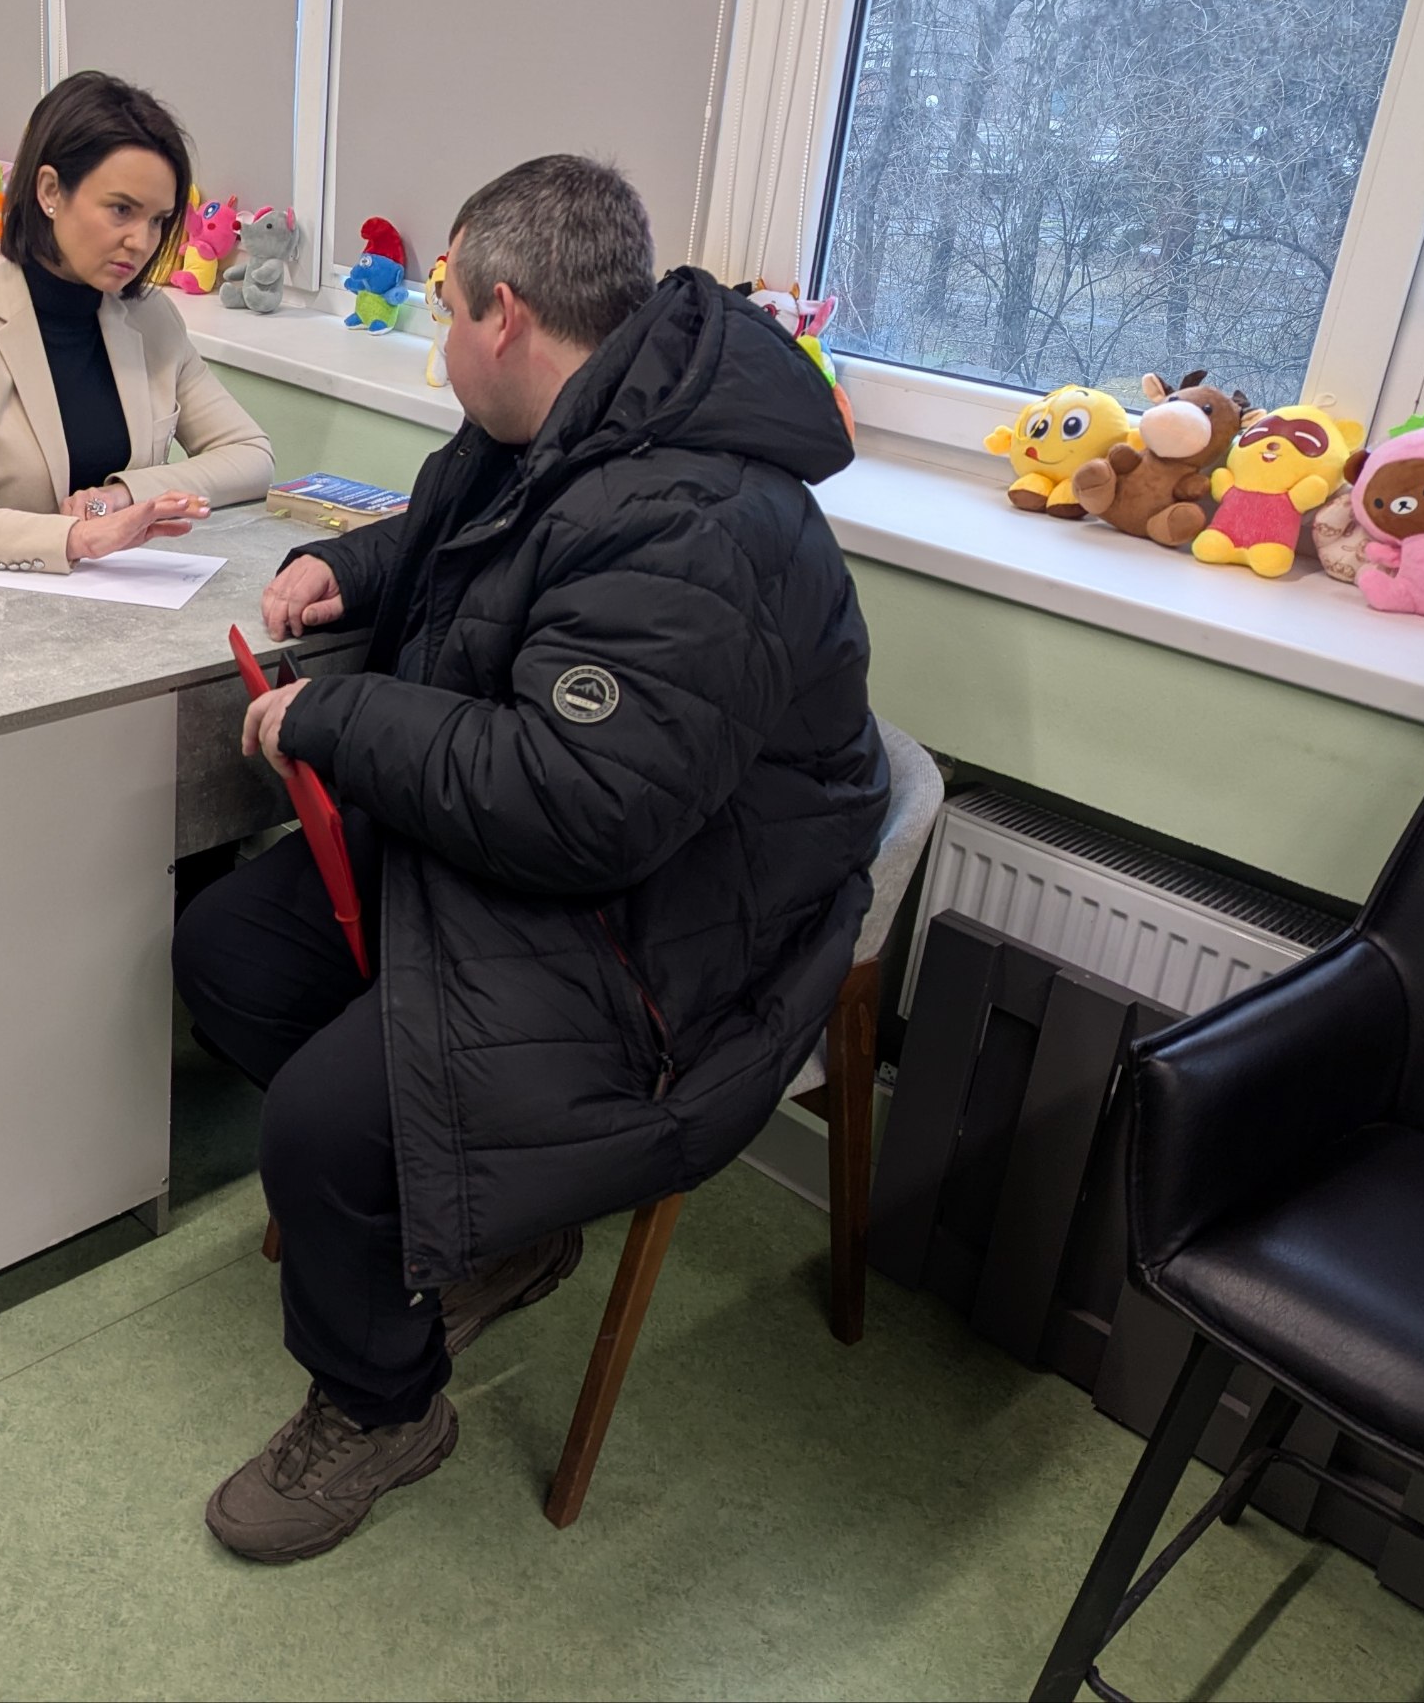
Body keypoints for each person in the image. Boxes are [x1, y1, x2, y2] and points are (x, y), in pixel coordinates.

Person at [173, 155, 889, 1563]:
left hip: (674, 927)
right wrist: (356, 570)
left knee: (321, 1126)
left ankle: (381, 1405)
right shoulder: (552, 423)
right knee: (230, 954)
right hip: (556, 860)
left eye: (445, 308)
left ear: (504, 314)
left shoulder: (697, 519)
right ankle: (487, 1213)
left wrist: (339, 719)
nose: (439, 338)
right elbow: (469, 547)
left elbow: (583, 801)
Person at [0, 72, 275, 570]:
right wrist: (74, 538)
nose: (141, 242)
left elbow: (251, 455)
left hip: (122, 597)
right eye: (121, 210)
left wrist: (126, 495)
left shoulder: (152, 319)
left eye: (157, 220)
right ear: (50, 191)